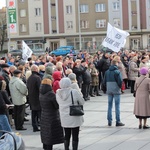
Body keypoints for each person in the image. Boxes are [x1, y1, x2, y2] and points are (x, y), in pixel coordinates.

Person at [56, 78, 84, 150]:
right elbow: (81, 102)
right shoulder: (73, 92)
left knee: (67, 134)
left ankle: (66, 148)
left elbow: (58, 103)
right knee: (75, 134)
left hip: (64, 116)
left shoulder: (58, 93)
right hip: (74, 115)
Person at [39, 78, 64, 150]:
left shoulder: (41, 93)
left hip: (44, 115)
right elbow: (56, 106)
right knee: (51, 134)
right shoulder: (51, 94)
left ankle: (45, 147)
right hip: (52, 116)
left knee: (45, 133)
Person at [103, 60, 125, 127]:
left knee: (109, 106)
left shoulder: (107, 72)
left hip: (109, 89)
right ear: (116, 64)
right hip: (116, 89)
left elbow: (104, 81)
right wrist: (119, 87)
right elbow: (120, 81)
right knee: (117, 105)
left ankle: (109, 121)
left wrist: (107, 87)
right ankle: (118, 121)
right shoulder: (117, 72)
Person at [27, 65, 41, 132]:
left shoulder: (29, 78)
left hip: (31, 97)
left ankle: (34, 126)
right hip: (37, 98)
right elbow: (40, 88)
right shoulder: (37, 78)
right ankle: (42, 126)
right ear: (36, 69)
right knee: (40, 113)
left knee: (33, 113)